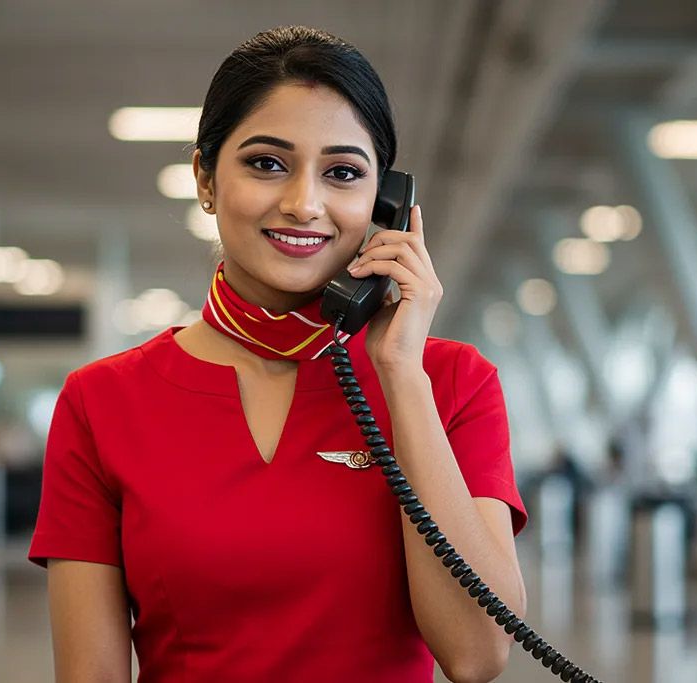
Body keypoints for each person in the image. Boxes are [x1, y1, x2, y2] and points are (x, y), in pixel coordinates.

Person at [29, 25, 528, 683]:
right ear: (206, 179)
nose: (304, 204)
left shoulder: (451, 381)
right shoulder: (102, 400)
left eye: (343, 172)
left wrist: (401, 374)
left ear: (388, 205)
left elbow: (476, 654)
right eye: (267, 163)